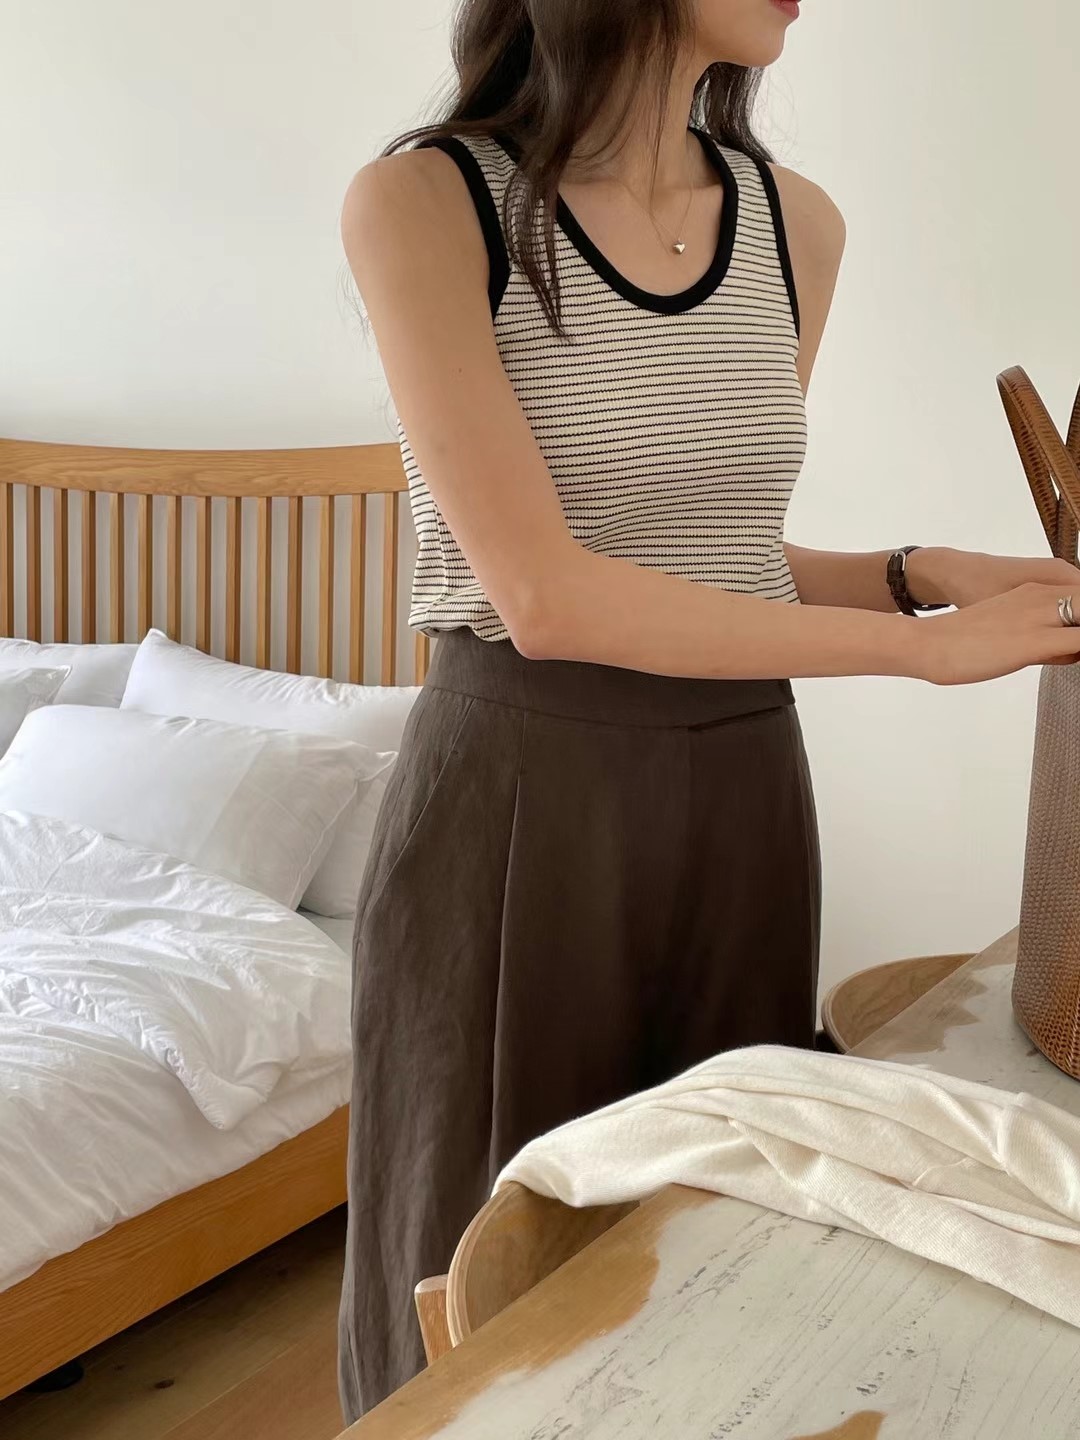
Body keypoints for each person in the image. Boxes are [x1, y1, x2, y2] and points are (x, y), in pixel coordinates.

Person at [336, 0, 1080, 1418]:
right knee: (479, 1255)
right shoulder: (428, 204)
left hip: (743, 786)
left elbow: (706, 562)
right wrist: (924, 652)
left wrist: (919, 573)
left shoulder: (798, 226)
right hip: (521, 798)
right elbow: (548, 597)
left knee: (722, 1248)